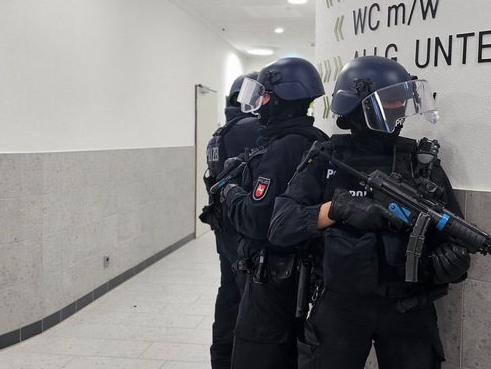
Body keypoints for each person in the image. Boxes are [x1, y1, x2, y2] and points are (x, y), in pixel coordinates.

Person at [269, 55, 471, 369]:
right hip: (340, 304)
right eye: (389, 104)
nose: (399, 112)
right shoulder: (326, 159)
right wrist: (336, 208)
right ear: (357, 107)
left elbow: (452, 231)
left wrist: (452, 263)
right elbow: (281, 226)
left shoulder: (420, 165)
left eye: (401, 103)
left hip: (408, 306)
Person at [220, 57, 328, 369]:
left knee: (254, 355)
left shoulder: (283, 147)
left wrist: (230, 192)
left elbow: (257, 221)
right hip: (298, 276)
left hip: (271, 279)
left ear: (283, 99)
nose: (259, 103)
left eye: (264, 95)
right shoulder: (316, 140)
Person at [199, 72, 261, 369]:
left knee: (228, 293)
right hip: (243, 230)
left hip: (224, 231)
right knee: (250, 300)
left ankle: (221, 359)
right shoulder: (250, 128)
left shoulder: (219, 133)